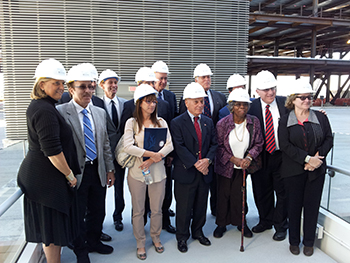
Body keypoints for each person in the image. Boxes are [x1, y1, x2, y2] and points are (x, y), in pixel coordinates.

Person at [17, 58, 80, 263]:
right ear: (41, 84)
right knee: (52, 232)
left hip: (44, 179)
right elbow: (53, 151)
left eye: (62, 84)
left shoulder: (43, 106)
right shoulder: (44, 110)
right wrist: (70, 175)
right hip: (46, 182)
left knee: (50, 230)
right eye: (56, 83)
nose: (61, 88)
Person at [56, 64, 115, 261]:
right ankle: (81, 250)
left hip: (97, 169)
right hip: (74, 173)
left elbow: (105, 143)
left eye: (91, 86)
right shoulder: (61, 112)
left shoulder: (99, 112)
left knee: (98, 210)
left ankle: (95, 240)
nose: (88, 91)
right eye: (83, 87)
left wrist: (110, 169)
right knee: (78, 213)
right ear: (71, 89)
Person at [278, 79, 333, 256]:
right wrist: (307, 159)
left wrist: (317, 159)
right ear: (292, 100)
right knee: (293, 207)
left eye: (309, 97)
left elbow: (328, 139)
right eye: (302, 98)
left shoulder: (321, 118)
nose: (307, 101)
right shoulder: (285, 120)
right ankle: (294, 241)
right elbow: (285, 146)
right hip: (293, 171)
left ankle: (309, 242)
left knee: (311, 206)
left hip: (316, 171)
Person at [123, 84, 173, 260]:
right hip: (137, 173)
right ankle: (140, 242)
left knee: (157, 209)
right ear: (139, 103)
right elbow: (128, 146)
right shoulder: (132, 123)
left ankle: (156, 237)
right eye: (148, 101)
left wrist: (152, 159)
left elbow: (170, 145)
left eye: (154, 102)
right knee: (138, 210)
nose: (152, 105)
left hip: (158, 172)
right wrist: (150, 154)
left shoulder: (161, 122)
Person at [171, 82, 218, 253]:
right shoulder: (177, 123)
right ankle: (182, 237)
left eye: (202, 102)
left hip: (204, 172)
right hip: (186, 172)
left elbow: (214, 144)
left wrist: (207, 161)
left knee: (200, 205)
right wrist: (196, 164)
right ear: (186, 102)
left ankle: (198, 231)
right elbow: (179, 146)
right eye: (196, 101)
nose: (200, 105)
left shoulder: (207, 122)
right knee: (184, 208)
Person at [214, 88, 263, 238]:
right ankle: (221, 224)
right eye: (238, 105)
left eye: (245, 105)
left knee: (239, 196)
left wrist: (248, 158)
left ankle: (241, 223)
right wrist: (233, 159)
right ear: (232, 106)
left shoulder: (253, 122)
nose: (242, 108)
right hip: (226, 165)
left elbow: (259, 143)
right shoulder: (222, 124)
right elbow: (219, 146)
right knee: (223, 195)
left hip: (244, 166)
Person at [179, 63, 226, 217]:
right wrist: (196, 162)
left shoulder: (219, 97)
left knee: (210, 188)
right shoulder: (186, 98)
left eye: (208, 77)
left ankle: (213, 211)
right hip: (192, 155)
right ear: (196, 79)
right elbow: (182, 128)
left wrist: (208, 159)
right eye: (203, 77)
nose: (207, 79)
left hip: (210, 151)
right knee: (190, 196)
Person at [247, 70, 289, 241]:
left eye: (273, 88)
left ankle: (280, 225)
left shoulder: (286, 103)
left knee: (282, 191)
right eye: (266, 90)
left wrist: (320, 114)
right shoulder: (251, 108)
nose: (271, 92)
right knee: (261, 190)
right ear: (257, 91)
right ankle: (265, 220)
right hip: (260, 156)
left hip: (281, 155)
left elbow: (303, 113)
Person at [96, 69, 127, 232]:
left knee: (119, 188)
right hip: (102, 154)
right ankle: (98, 222)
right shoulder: (95, 104)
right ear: (102, 85)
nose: (114, 85)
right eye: (110, 83)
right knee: (100, 188)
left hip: (121, 154)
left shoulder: (124, 103)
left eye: (115, 82)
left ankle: (118, 217)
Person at [151, 60, 177, 233]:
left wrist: (170, 153)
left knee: (166, 185)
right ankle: (150, 215)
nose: (163, 82)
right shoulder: (143, 95)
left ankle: (165, 219)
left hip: (165, 151)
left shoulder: (170, 97)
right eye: (161, 78)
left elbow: (173, 124)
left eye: (166, 79)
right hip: (147, 152)